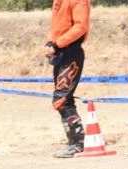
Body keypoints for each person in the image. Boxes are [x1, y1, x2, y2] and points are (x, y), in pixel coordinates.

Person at [44, 0, 90, 158]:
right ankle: (76, 142)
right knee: (64, 100)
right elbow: (57, 25)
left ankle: (77, 144)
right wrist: (51, 43)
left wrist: (57, 44)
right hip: (61, 52)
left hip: (71, 52)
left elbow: (80, 26)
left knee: (61, 100)